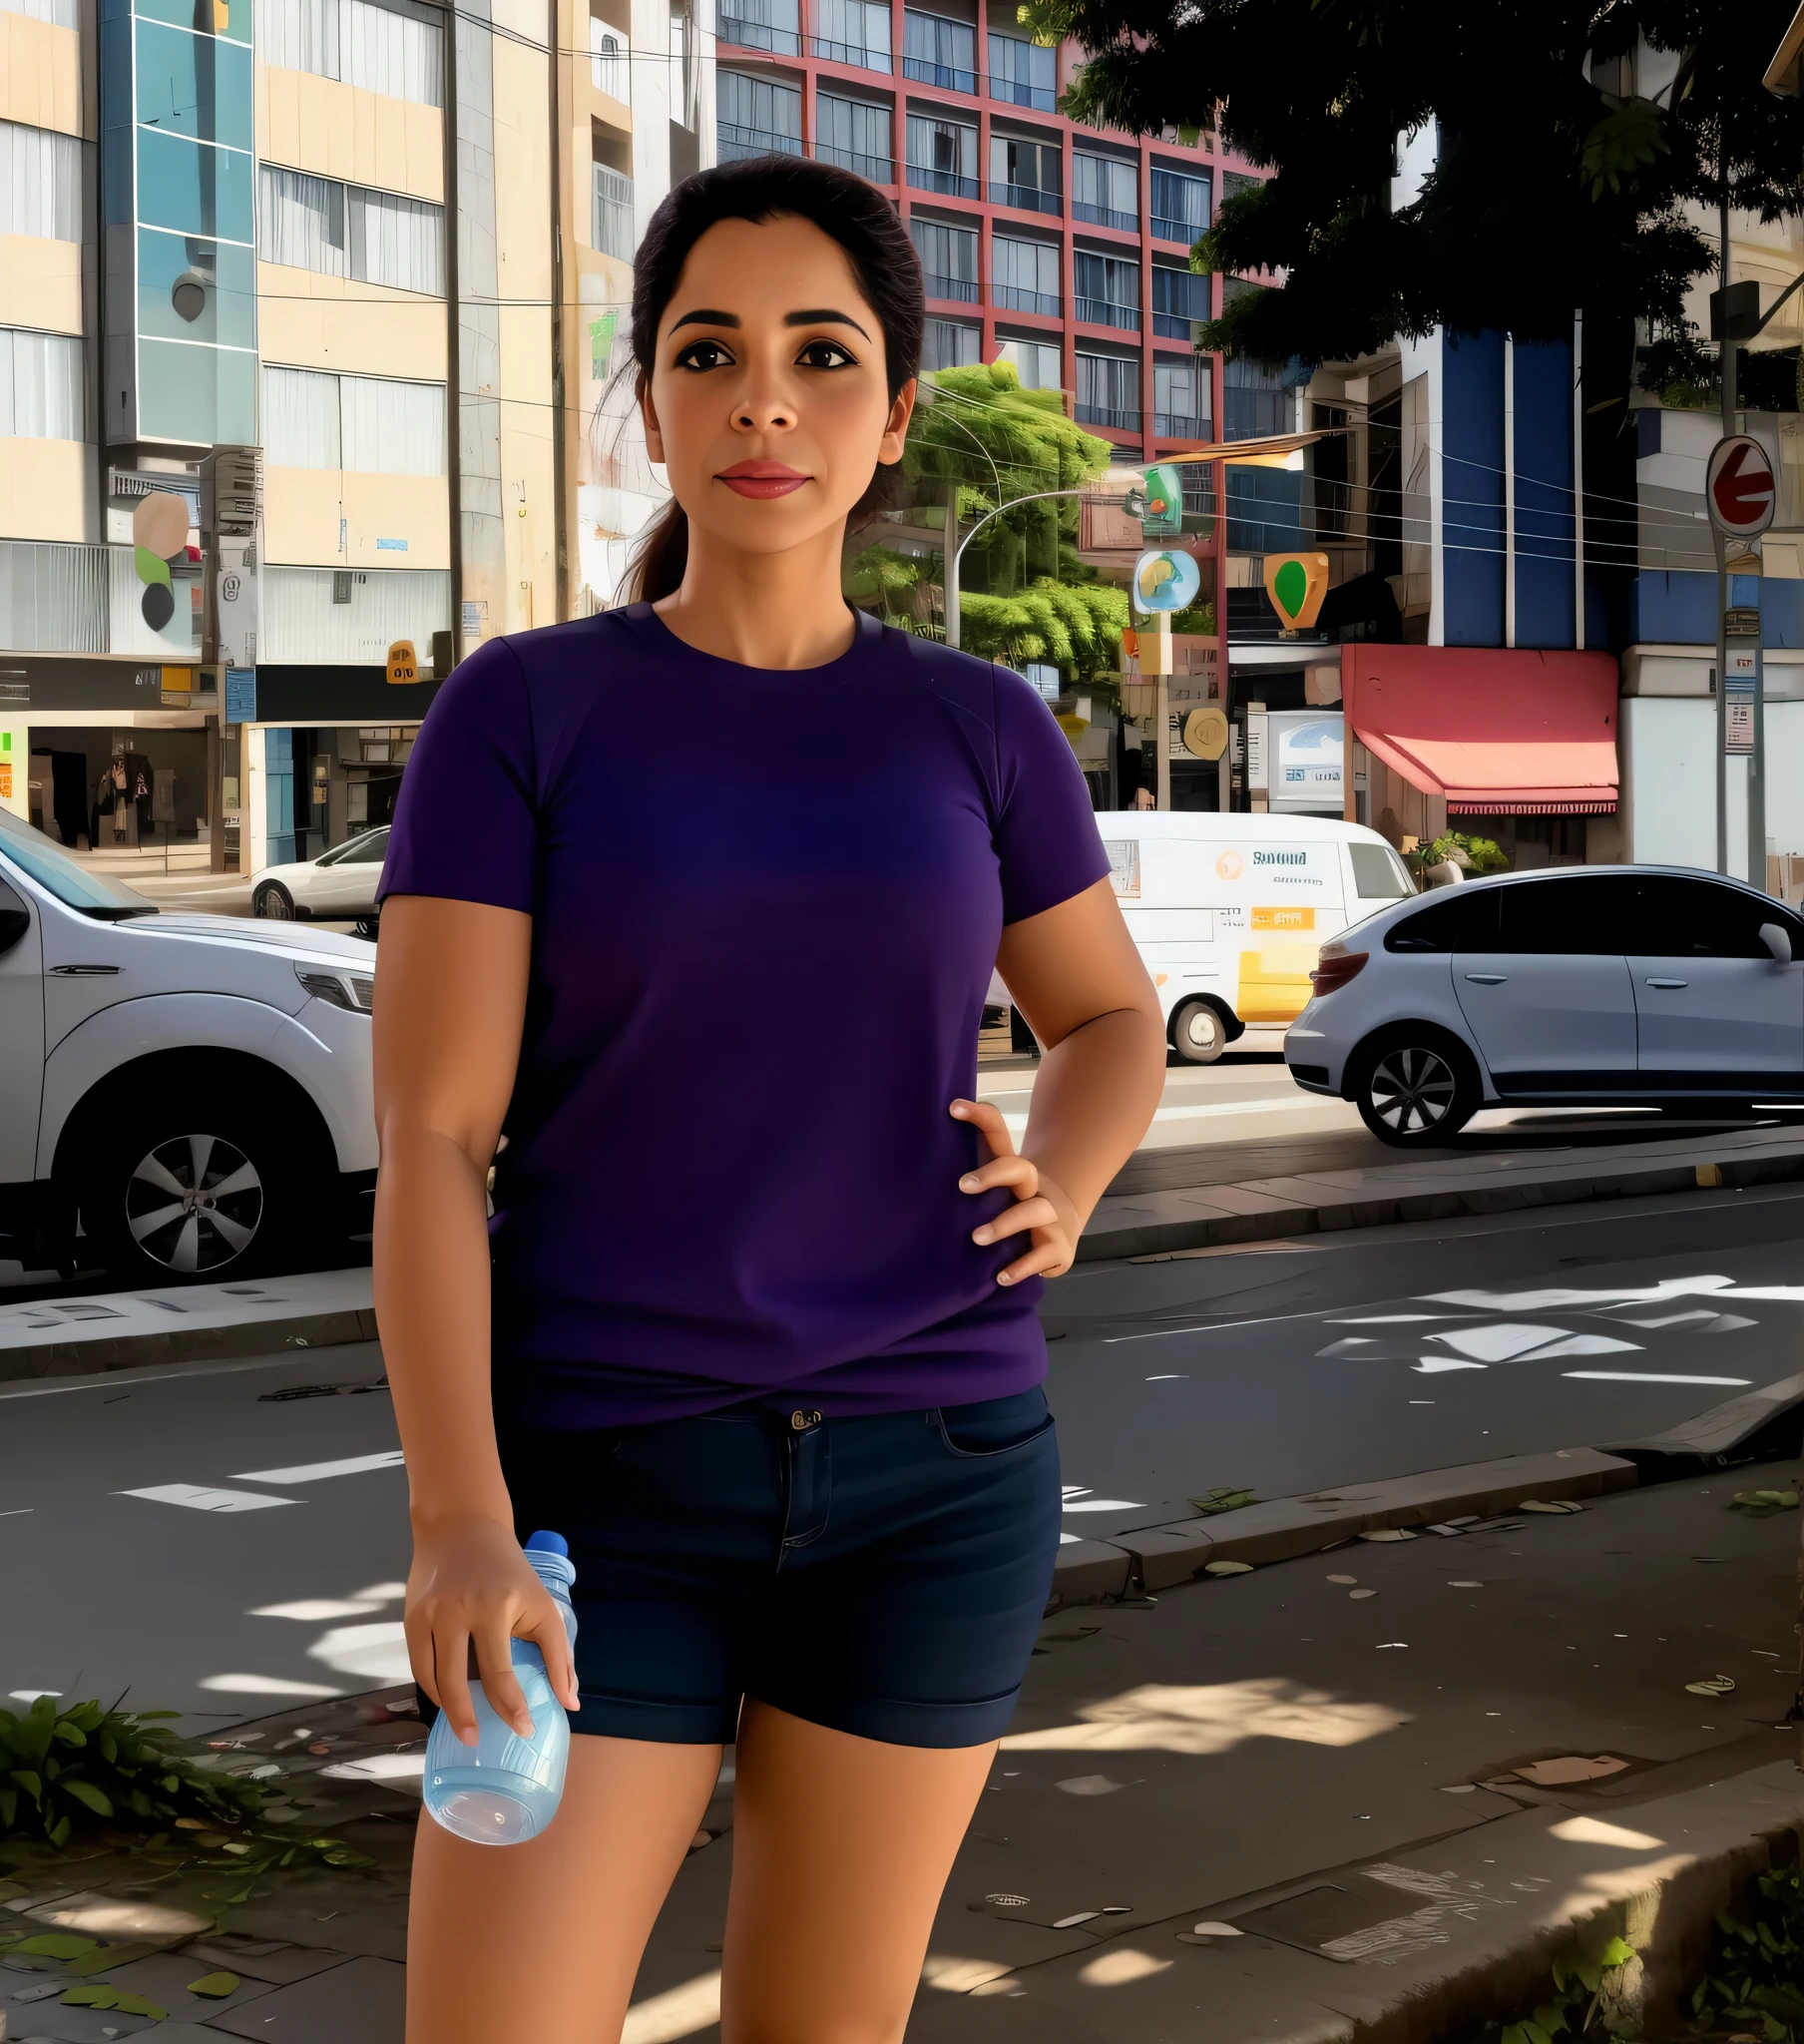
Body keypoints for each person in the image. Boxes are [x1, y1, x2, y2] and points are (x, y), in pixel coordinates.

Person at [373, 153, 1166, 2044]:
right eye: (709, 350)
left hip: (941, 1477)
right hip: (596, 1499)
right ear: (648, 395)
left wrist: (1068, 1173)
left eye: (822, 355)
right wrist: (457, 1515)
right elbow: (430, 1140)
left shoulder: (981, 728)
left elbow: (1111, 1021)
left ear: (891, 415)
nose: (764, 400)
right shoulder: (525, 710)